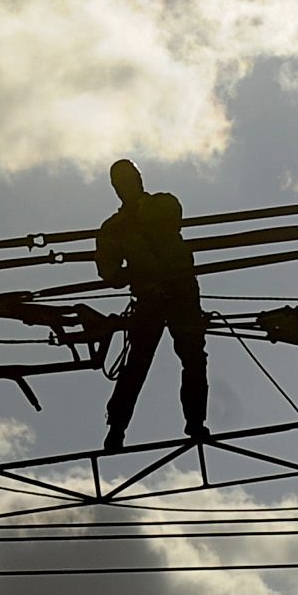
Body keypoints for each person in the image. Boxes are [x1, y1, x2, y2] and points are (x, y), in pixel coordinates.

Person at [96, 158, 209, 448]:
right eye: (121, 182)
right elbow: (109, 272)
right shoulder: (113, 227)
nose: (127, 185)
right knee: (137, 364)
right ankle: (117, 428)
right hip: (151, 296)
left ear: (139, 179)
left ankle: (196, 423)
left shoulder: (162, 204)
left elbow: (173, 217)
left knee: (193, 359)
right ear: (115, 188)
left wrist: (138, 216)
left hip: (181, 291)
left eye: (130, 178)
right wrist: (131, 272)